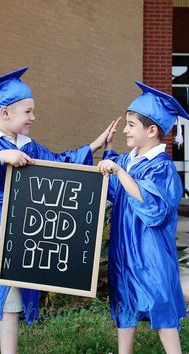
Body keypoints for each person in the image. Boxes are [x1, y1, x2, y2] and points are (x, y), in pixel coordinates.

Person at [0, 66, 111, 354]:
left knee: (10, 298)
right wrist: (1, 157)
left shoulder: (31, 147)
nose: (33, 118)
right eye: (28, 112)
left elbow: (59, 164)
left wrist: (94, 146)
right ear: (5, 114)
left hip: (18, 233)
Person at [98, 81, 188, 354]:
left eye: (131, 124)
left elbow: (154, 209)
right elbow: (114, 191)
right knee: (124, 303)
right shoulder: (128, 161)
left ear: (151, 130)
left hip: (150, 252)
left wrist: (120, 172)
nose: (125, 129)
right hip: (124, 248)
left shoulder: (162, 168)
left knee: (161, 304)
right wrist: (109, 155)